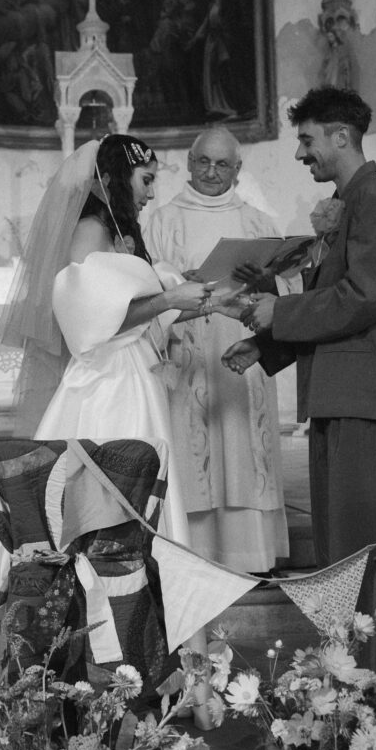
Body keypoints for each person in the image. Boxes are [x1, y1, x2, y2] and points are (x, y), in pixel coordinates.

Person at [0, 135, 247, 720]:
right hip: (105, 387)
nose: (153, 192)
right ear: (116, 178)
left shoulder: (126, 235)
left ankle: (154, 646)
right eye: (147, 180)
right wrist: (169, 296)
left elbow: (148, 308)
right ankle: (81, 645)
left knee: (145, 505)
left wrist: (206, 300)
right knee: (94, 511)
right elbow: (90, 322)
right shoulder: (89, 229)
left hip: (135, 379)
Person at [222, 87, 376, 619]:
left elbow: (369, 294)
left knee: (365, 546)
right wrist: (266, 342)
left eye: (307, 139)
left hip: (369, 399)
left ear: (341, 136)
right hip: (343, 397)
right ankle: (350, 660)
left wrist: (279, 314)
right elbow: (334, 303)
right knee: (339, 546)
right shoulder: (349, 202)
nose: (299, 153)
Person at [146, 128, 289, 573]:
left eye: (222, 164)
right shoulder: (160, 221)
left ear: (238, 169)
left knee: (244, 449)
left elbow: (283, 294)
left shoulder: (260, 225)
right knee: (192, 454)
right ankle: (195, 557)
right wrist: (173, 283)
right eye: (203, 161)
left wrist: (266, 284)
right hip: (186, 355)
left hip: (241, 350)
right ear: (188, 162)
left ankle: (250, 558)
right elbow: (142, 293)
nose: (211, 172)